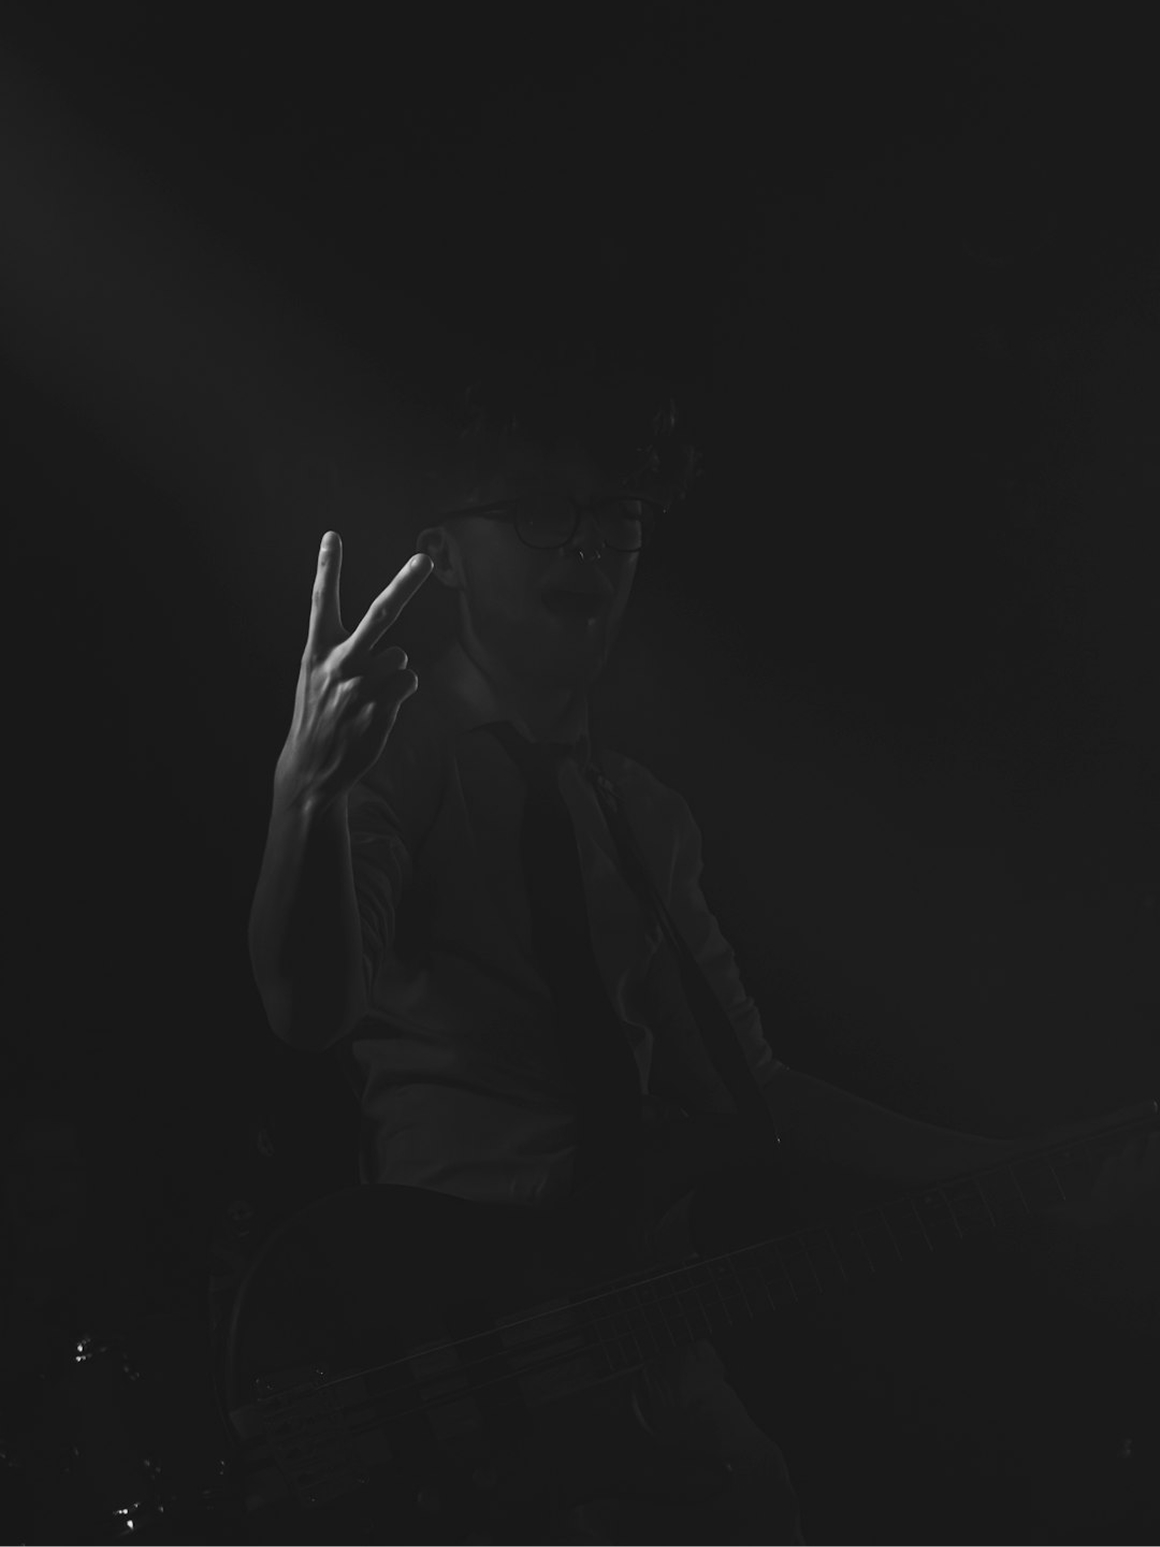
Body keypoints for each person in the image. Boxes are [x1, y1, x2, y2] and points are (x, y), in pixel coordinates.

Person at [247, 354, 1156, 1542]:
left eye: (614, 513)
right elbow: (307, 1008)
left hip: (638, 1334)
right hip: (460, 1352)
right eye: (540, 507)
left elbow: (752, 1086)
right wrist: (304, 793)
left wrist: (1011, 1168)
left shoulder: (642, 816)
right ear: (443, 553)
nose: (584, 544)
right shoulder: (398, 761)